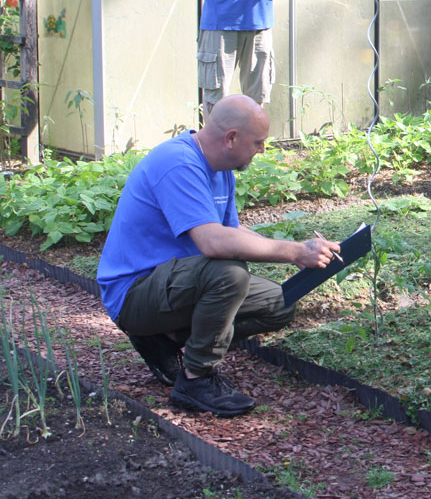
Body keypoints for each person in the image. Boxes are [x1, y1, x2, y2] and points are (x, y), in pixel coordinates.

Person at [97, 95, 340, 417]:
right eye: (259, 142)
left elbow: (232, 232)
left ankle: (162, 338)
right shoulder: (178, 163)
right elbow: (213, 243)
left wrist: (299, 251)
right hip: (135, 291)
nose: (262, 150)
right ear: (231, 139)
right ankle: (197, 379)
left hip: (176, 284)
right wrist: (292, 251)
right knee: (229, 273)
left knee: (279, 303)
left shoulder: (219, 167)